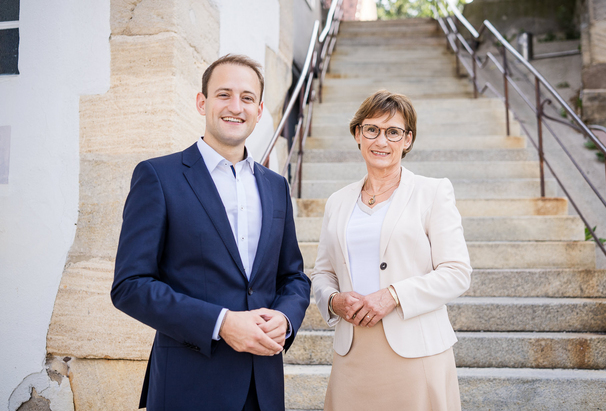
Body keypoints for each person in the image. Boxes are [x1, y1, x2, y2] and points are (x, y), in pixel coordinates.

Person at [111, 54, 311, 411]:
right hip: (190, 384)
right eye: (224, 94)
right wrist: (221, 323)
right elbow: (130, 285)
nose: (236, 107)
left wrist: (285, 318)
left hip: (263, 387)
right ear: (202, 102)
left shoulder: (276, 186)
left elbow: (293, 277)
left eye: (247, 98)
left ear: (259, 110)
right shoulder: (158, 177)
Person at [311, 90, 472, 411]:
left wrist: (394, 295)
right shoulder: (338, 201)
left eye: (393, 132)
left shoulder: (432, 192)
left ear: (408, 139)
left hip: (417, 351)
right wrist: (333, 300)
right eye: (371, 129)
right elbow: (322, 273)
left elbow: (457, 273)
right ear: (357, 134)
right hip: (353, 351)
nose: (381, 141)